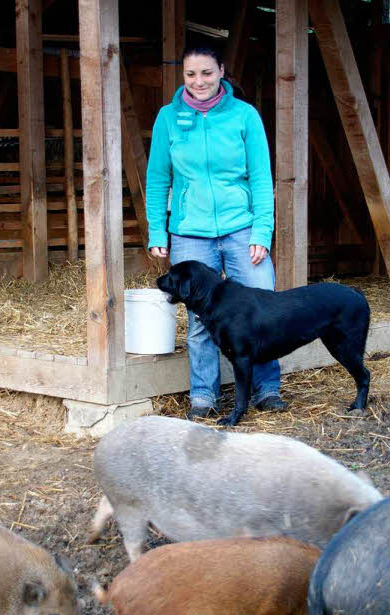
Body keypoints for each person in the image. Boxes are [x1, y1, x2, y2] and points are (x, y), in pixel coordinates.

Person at [146, 45, 287, 420]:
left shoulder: (245, 115)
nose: (199, 81)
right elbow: (159, 178)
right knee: (199, 320)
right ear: (183, 76)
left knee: (261, 307)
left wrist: (262, 230)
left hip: (242, 229)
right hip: (190, 232)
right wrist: (157, 229)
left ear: (221, 71)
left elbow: (260, 177)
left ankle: (267, 389)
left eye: (207, 73)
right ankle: (204, 396)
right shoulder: (168, 118)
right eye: (191, 74)